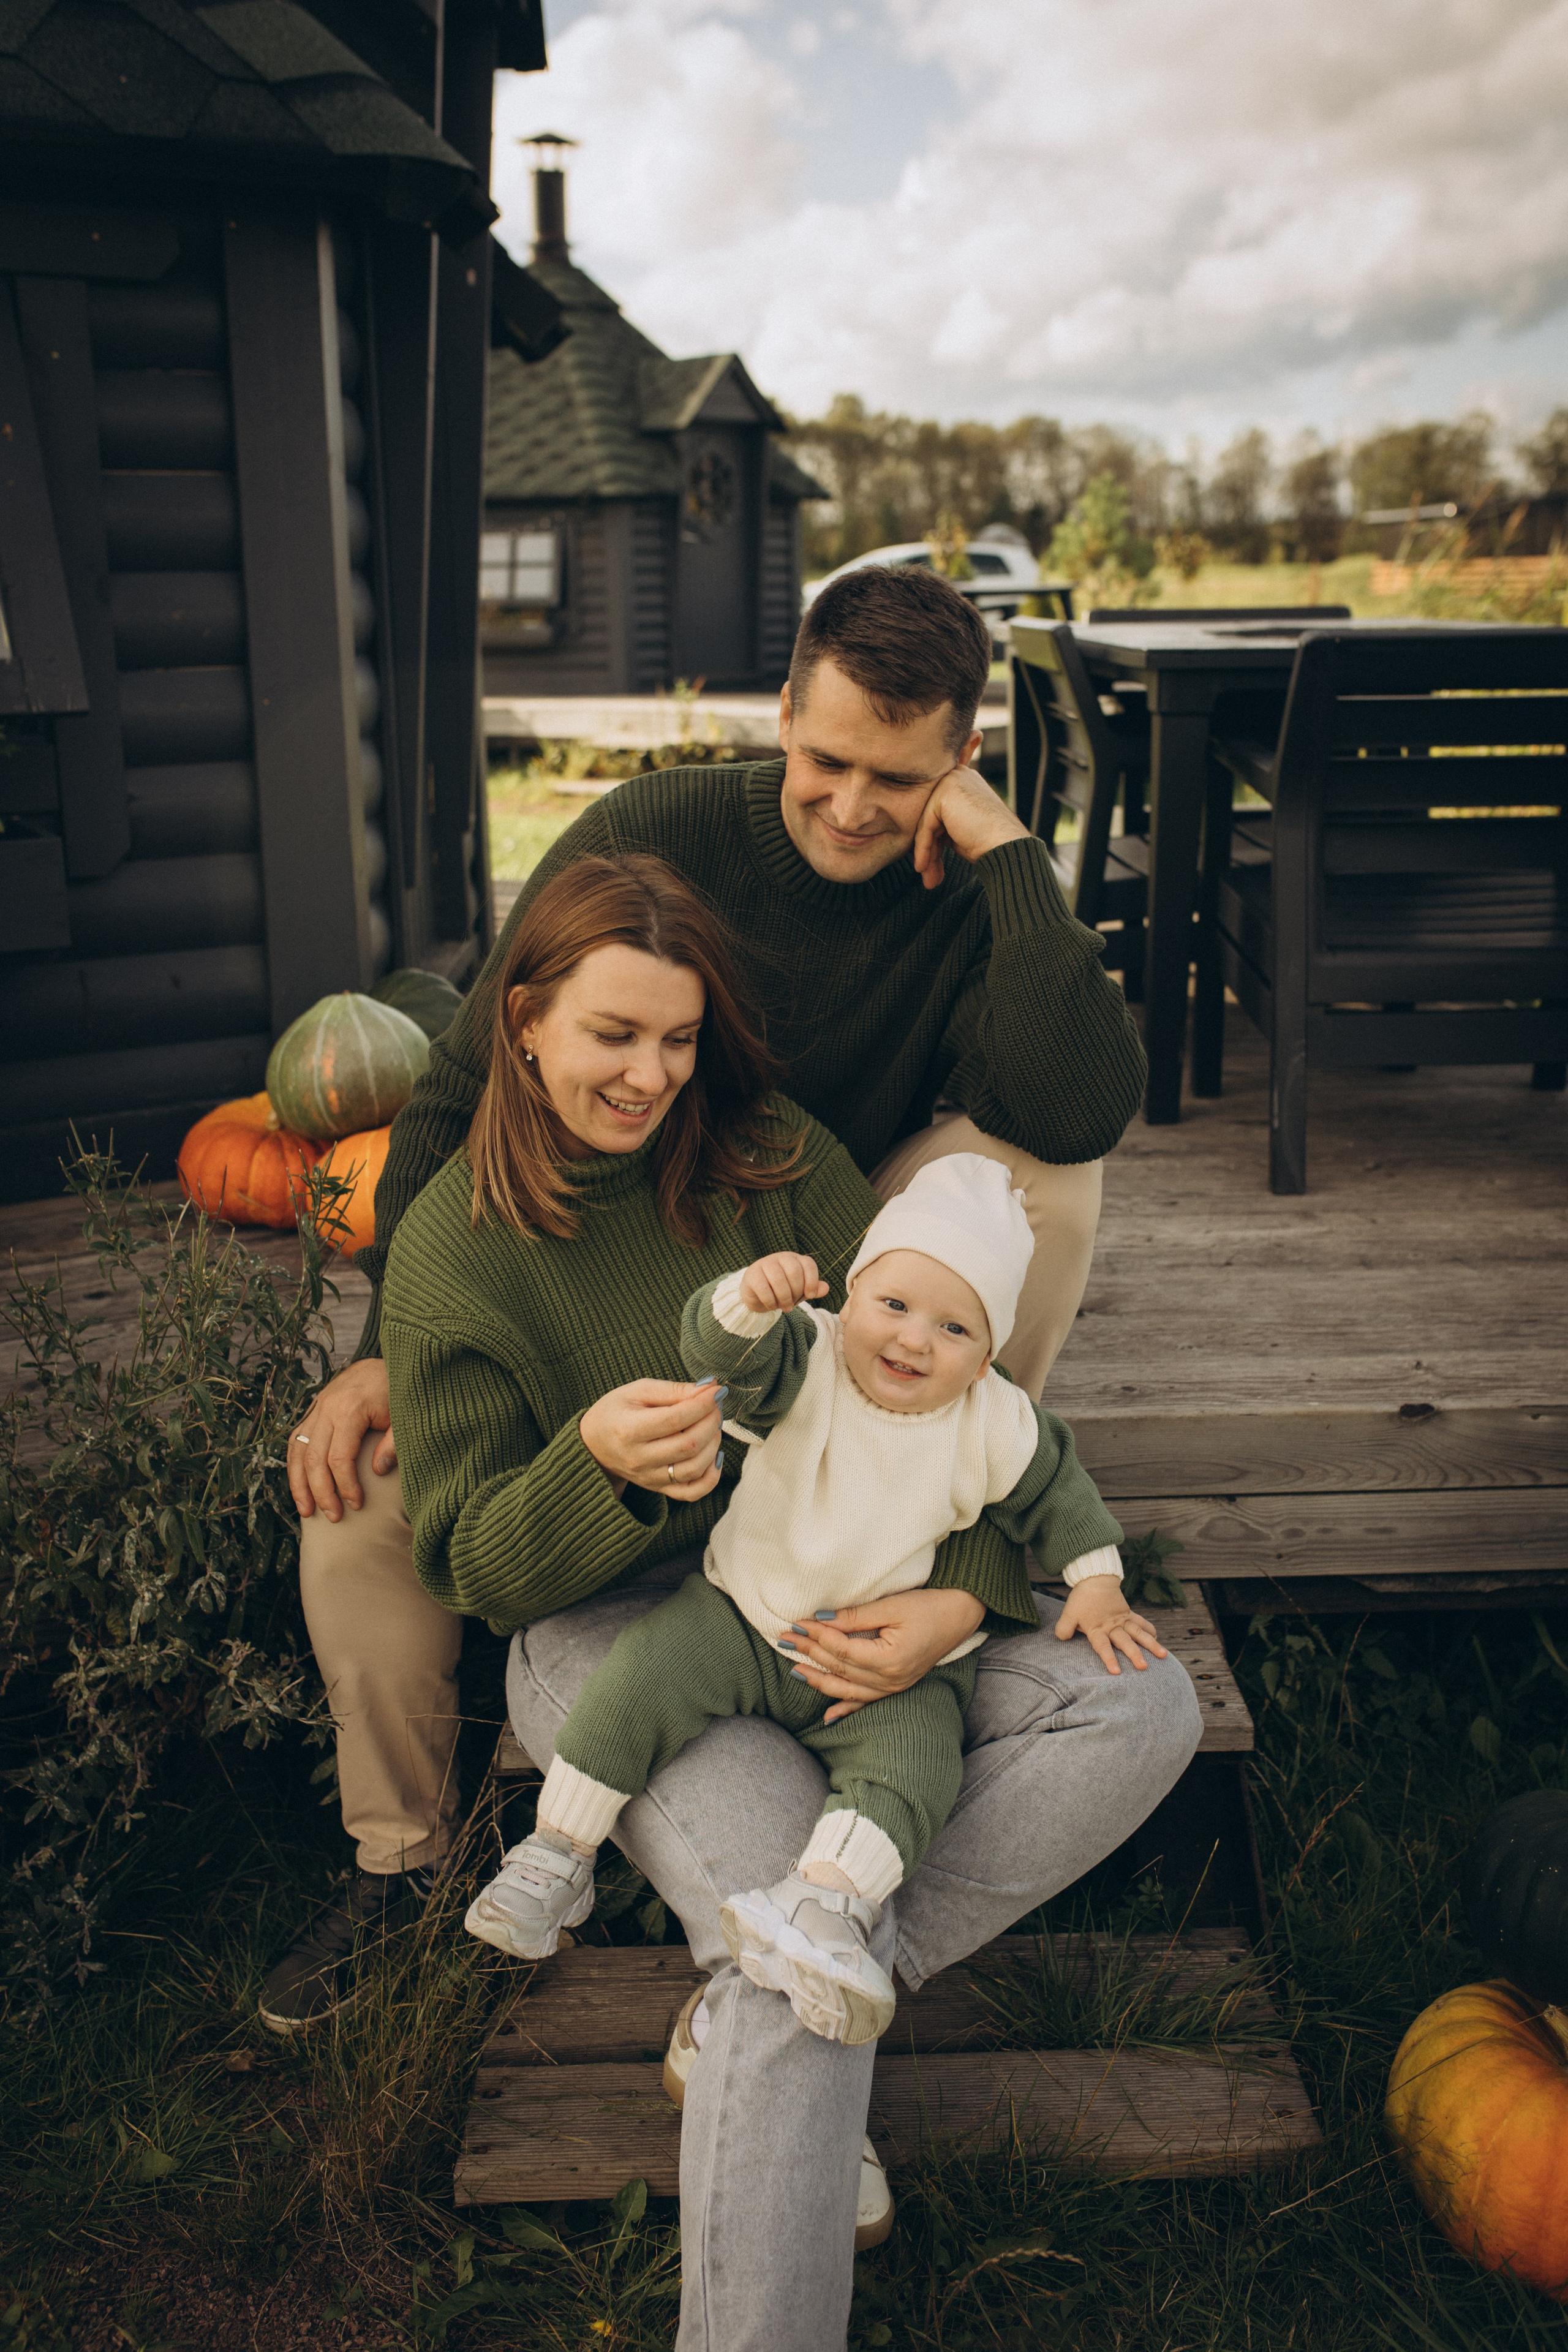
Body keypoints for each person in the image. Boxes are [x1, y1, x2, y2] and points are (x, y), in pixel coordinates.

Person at [269, 562, 1150, 2036]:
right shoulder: (649, 840)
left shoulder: (947, 889)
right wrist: (386, 1346)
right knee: (360, 1507)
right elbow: (459, 1090)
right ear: (780, 713)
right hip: (586, 1233)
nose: (855, 808)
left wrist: (1006, 861)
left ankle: (949, 1471)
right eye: (824, 762)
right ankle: (402, 1865)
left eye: (900, 776)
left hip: (798, 1204)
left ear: (961, 761)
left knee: (1049, 1180)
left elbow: (1077, 1102)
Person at [372, 850, 1197, 2346]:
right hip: (624, 1635)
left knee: (1141, 1704)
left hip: (862, 1596)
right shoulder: (451, 1258)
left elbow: (932, 1394)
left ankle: (791, 1965)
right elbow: (472, 1568)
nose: (650, 1076)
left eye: (677, 1039)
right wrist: (600, 1471)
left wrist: (958, 1600)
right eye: (613, 1037)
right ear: (525, 1022)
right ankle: (801, 1998)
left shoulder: (756, 1146)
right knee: (792, 1950)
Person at [466, 1155, 1152, 2060]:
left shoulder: (995, 1421)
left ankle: (824, 1904)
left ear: (987, 1356)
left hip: (886, 1665)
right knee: (636, 1681)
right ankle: (559, 1854)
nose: (912, 1341)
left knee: (914, 1767)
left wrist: (1096, 1577)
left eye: (954, 1328)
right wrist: (750, 1298)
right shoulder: (813, 1354)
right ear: (854, 1293)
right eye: (895, 1306)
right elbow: (723, 1357)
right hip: (742, 1617)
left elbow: (1058, 1492)